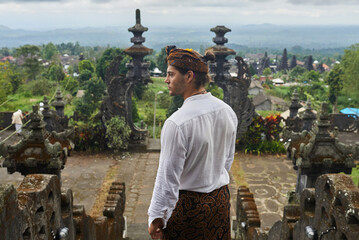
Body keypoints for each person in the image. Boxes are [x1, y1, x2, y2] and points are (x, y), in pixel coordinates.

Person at [148, 46, 238, 240]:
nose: (166, 80)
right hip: (220, 202)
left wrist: (156, 217)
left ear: (189, 76)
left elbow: (168, 179)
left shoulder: (177, 123)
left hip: (189, 209)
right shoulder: (227, 111)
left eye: (171, 75)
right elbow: (226, 162)